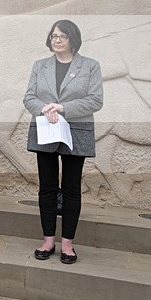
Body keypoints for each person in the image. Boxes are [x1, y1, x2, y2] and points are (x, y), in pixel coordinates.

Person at [23, 20, 103, 264]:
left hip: (75, 132)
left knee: (71, 188)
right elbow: (29, 97)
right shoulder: (40, 66)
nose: (56, 40)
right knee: (47, 187)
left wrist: (63, 107)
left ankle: (67, 243)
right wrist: (45, 108)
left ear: (73, 40)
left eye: (62, 36)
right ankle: (48, 240)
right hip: (46, 130)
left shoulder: (90, 66)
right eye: (53, 36)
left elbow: (95, 101)